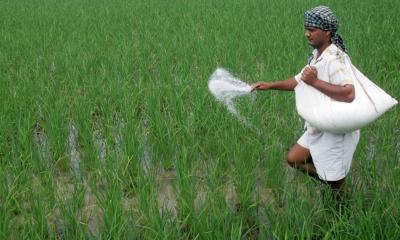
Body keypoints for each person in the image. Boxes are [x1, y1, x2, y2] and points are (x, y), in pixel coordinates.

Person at [251, 6, 360, 199]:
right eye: (306, 28)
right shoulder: (318, 55)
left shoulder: (336, 59)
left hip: (335, 128)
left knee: (336, 179)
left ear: (327, 32)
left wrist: (315, 82)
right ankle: (334, 185)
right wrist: (269, 85)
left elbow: (349, 93)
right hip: (320, 122)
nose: (306, 33)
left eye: (312, 29)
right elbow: (298, 80)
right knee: (294, 159)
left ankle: (344, 208)